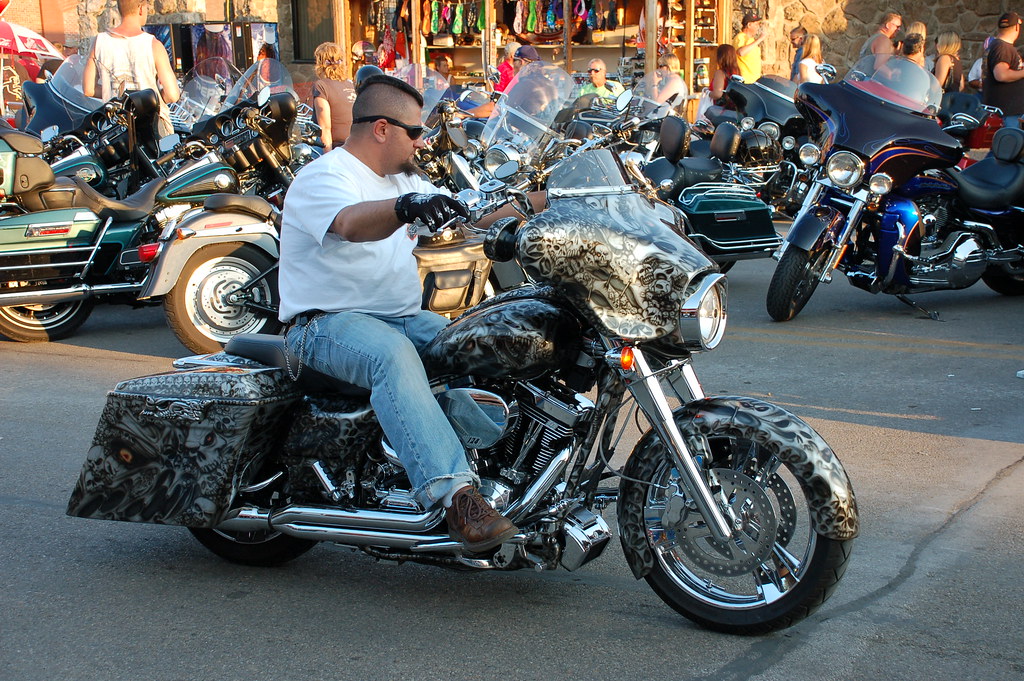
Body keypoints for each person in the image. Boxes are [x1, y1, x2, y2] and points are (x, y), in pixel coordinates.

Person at [277, 74, 521, 553]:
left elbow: (467, 216)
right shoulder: (326, 176)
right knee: (393, 356)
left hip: (400, 317)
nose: (423, 141)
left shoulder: (404, 179)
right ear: (382, 128)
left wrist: (544, 200)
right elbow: (349, 224)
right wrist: (406, 206)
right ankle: (455, 498)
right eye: (415, 131)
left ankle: (506, 462)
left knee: (478, 338)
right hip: (323, 325)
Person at [82, 0, 180, 137]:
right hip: (151, 127)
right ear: (140, 8)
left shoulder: (99, 41)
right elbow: (172, 94)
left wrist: (114, 92)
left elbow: (88, 89)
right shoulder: (153, 44)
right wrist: (155, 96)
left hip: (115, 127)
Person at [312, 42, 356, 150]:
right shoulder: (352, 84)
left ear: (320, 63)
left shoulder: (321, 86)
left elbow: (325, 128)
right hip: (357, 145)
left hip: (338, 147)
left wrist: (328, 160)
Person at [984, 12, 1024, 127]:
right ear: (1017, 27)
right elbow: (1001, 75)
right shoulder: (1003, 47)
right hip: (1007, 111)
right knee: (1009, 142)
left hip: (1006, 109)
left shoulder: (997, 45)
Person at [733, 12, 767, 83]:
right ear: (749, 25)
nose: (758, 27)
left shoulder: (751, 40)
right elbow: (741, 52)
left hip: (754, 81)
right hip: (745, 80)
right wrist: (760, 39)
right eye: (756, 24)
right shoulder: (740, 37)